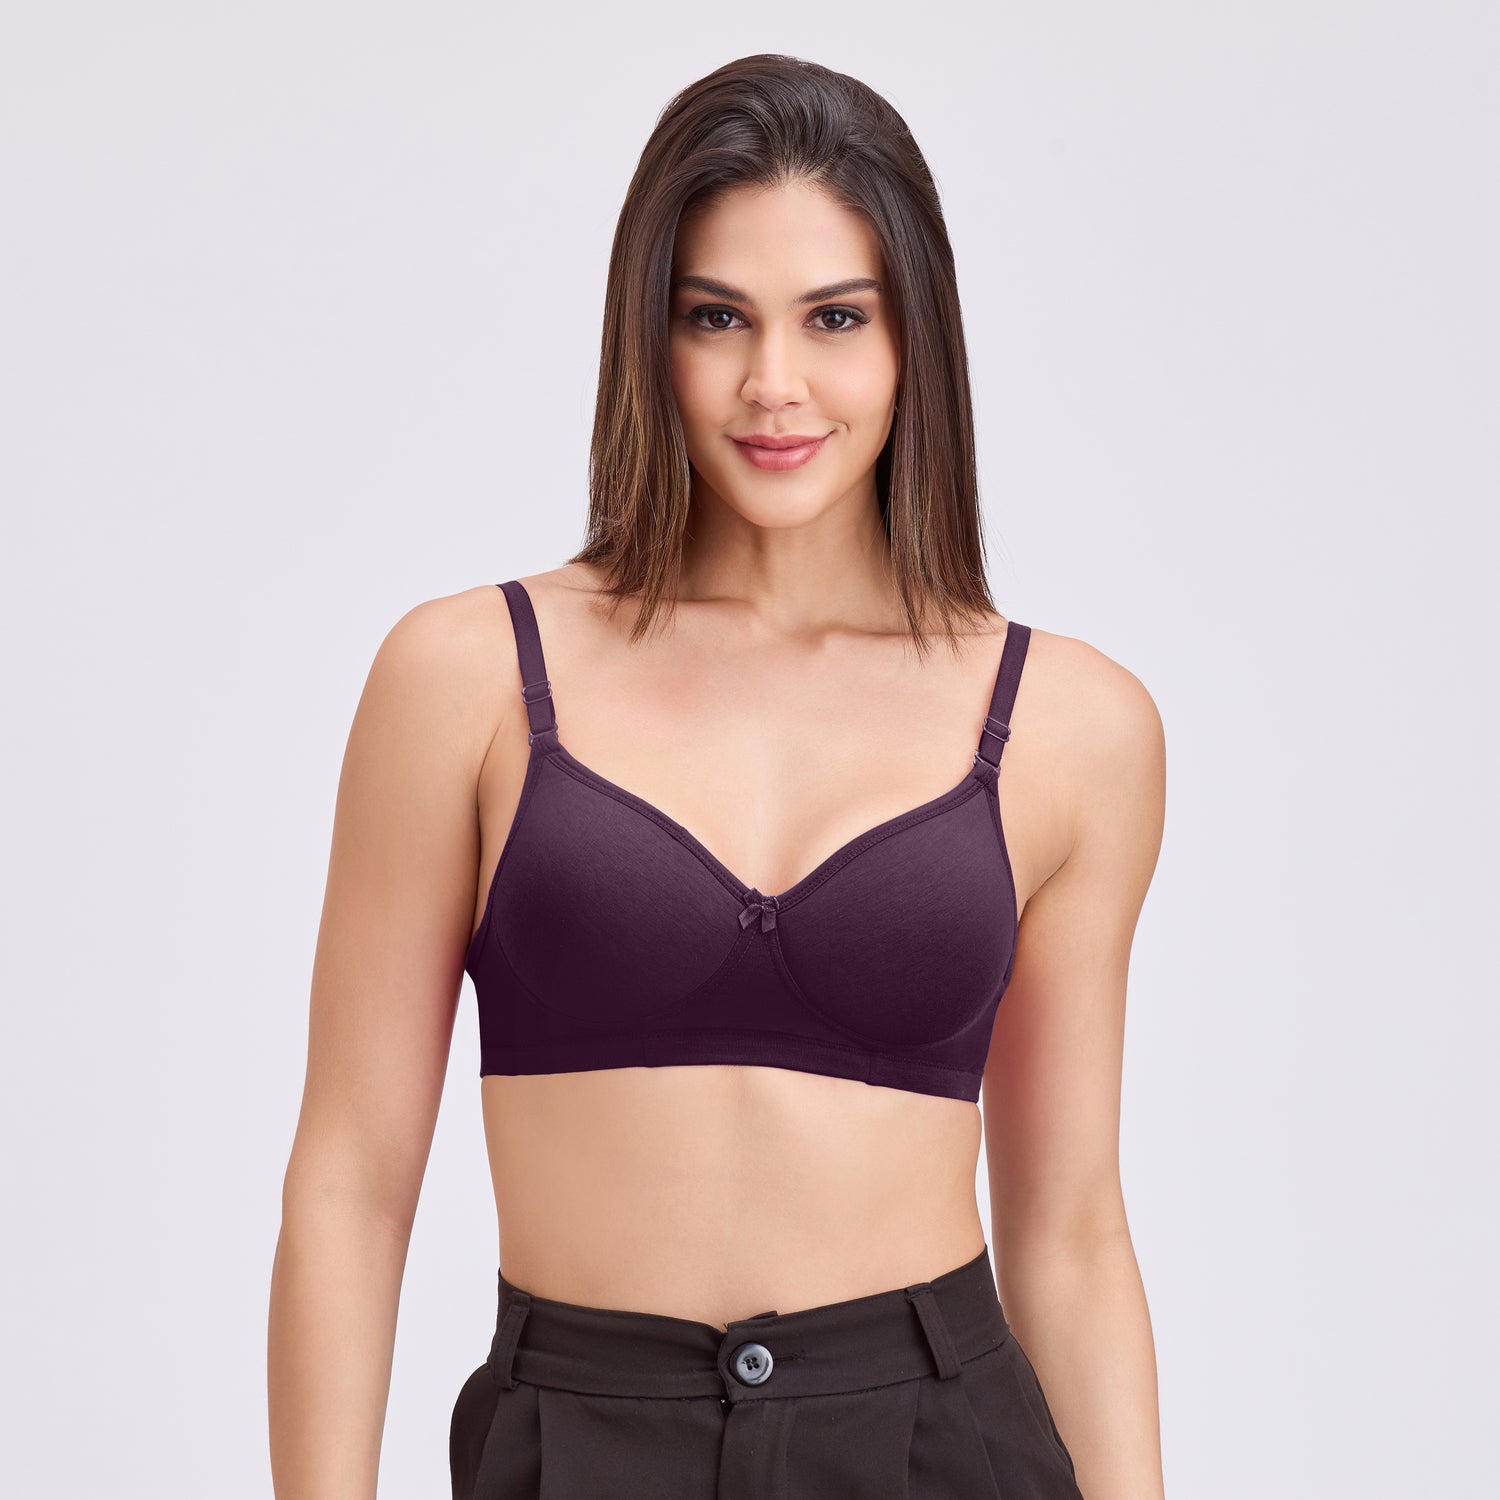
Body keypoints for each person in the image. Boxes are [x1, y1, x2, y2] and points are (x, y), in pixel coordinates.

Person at [268, 53, 1167, 1500]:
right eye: (717, 317)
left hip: (940, 1450)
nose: (774, 384)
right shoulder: (466, 680)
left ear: (914, 341)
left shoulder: (1073, 726)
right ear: (650, 335)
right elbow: (351, 1185)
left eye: (835, 318)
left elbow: (1069, 1234)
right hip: (581, 1442)